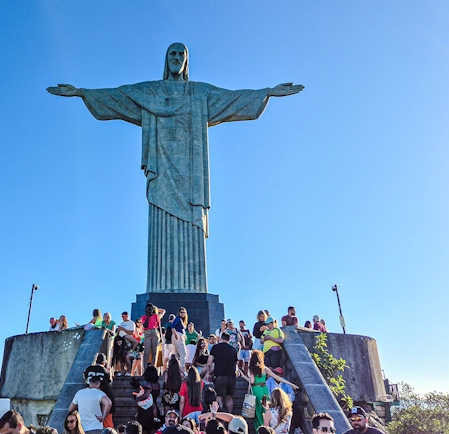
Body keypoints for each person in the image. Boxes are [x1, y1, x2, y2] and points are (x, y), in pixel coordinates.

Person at [47, 43, 303, 296]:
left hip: (192, 177)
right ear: (166, 58)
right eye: (173, 53)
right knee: (159, 217)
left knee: (192, 222)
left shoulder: (200, 93)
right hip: (161, 173)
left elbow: (233, 98)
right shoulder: (151, 91)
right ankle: (160, 289)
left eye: (182, 54)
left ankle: (192, 288)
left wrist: (267, 92)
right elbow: (118, 95)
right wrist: (82, 92)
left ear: (187, 61)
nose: (177, 58)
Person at [239, 350, 297, 430]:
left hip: (256, 390)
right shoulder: (265, 369)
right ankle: (267, 428)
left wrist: (243, 376)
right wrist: (291, 384)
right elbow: (277, 377)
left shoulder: (252, 368)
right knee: (265, 408)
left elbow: (251, 381)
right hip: (264, 390)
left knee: (258, 412)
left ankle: (259, 429)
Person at [206, 332, 238, 413]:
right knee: (229, 398)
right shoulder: (233, 349)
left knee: (219, 397)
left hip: (220, 376)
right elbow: (236, 364)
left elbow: (209, 362)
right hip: (231, 376)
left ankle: (220, 416)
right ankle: (230, 416)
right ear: (229, 339)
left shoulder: (215, 347)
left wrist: (208, 373)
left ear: (220, 338)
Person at [84, 353, 115, 428]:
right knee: (107, 422)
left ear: (96, 361)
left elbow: (84, 377)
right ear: (104, 363)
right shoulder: (105, 371)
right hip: (104, 396)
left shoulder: (89, 369)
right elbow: (109, 382)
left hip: (89, 397)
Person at [170, 307, 189, 372]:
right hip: (178, 336)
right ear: (179, 313)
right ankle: (183, 371)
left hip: (180, 336)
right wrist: (175, 334)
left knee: (177, 355)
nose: (182, 314)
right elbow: (172, 326)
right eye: (181, 312)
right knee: (183, 354)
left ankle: (176, 370)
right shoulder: (178, 318)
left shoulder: (182, 320)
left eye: (184, 312)